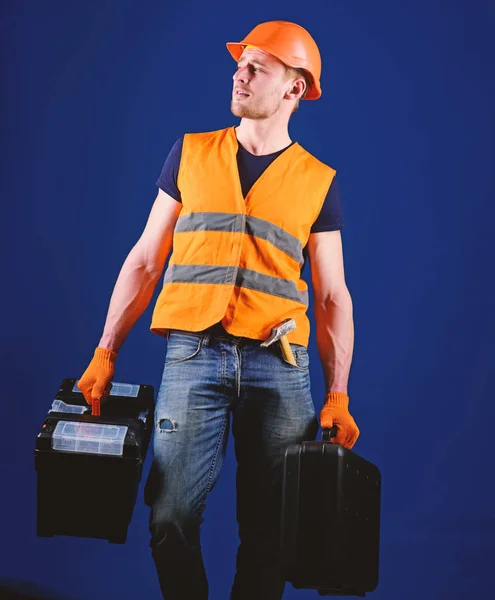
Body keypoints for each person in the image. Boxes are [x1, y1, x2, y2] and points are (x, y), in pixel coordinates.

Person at [77, 20, 359, 600]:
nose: (240, 72)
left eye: (258, 66)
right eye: (240, 62)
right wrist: (105, 351)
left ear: (295, 88)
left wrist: (338, 393)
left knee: (271, 531)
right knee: (168, 517)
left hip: (280, 367)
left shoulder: (317, 182)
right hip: (194, 354)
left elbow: (332, 297)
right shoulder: (191, 153)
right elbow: (145, 261)